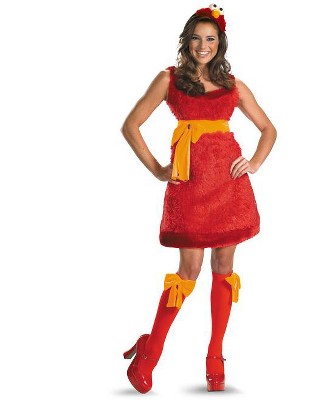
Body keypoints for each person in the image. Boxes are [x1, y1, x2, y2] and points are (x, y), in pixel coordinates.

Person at [120, 3, 277, 394]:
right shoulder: (169, 80)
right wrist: (158, 169)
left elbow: (268, 129)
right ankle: (150, 352)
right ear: (186, 41)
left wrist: (255, 162)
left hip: (229, 188)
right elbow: (131, 125)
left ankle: (215, 355)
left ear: (219, 43)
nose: (203, 46)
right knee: (188, 271)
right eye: (196, 38)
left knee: (223, 266)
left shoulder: (233, 85)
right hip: (189, 186)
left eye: (210, 39)